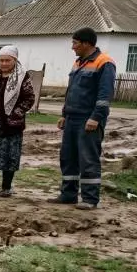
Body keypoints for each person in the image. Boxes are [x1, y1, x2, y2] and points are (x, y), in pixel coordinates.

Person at [53, 27, 116, 209]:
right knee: (68, 157)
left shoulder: (104, 63)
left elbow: (105, 95)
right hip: (72, 118)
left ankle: (89, 199)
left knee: (88, 158)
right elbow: (71, 91)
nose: (73, 47)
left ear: (87, 43)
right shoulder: (78, 63)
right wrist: (65, 114)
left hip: (88, 119)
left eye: (75, 43)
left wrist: (96, 117)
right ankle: (68, 195)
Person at [0, 45, 36, 196]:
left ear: (14, 60)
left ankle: (6, 188)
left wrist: (15, 114)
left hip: (11, 124)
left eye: (7, 60)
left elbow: (29, 98)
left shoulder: (23, 77)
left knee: (9, 155)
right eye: (1, 60)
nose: (3, 63)